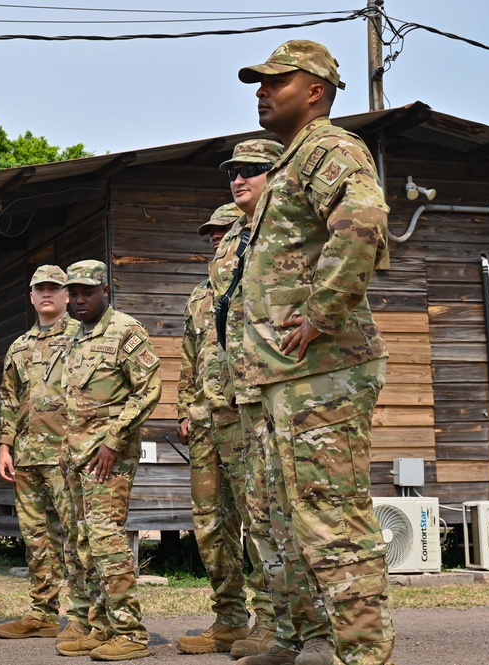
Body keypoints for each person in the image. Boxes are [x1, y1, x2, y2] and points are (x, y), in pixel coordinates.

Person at [235, 40, 392, 665]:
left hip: (323, 368)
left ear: (317, 90)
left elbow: (364, 222)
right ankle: (299, 636)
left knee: (332, 520)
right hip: (285, 377)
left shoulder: (330, 148)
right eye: (259, 82)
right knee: (290, 519)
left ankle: (362, 656)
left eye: (277, 81)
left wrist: (322, 314)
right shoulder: (291, 162)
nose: (261, 90)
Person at [218, 141, 335, 665]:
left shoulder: (296, 227)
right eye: (232, 173)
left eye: (251, 171)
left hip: (299, 390)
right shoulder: (236, 243)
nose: (238, 179)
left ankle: (326, 637)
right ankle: (289, 635)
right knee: (264, 521)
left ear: (278, 173)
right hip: (248, 399)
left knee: (305, 517)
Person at [55, 260, 161, 662]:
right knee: (84, 545)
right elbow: (75, 403)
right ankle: (101, 627)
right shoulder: (75, 337)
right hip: (77, 457)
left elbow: (148, 389)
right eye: (74, 293)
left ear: (105, 290)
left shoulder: (125, 331)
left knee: (107, 542)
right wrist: (67, 451)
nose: (79, 299)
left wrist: (115, 439)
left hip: (107, 458)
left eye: (87, 292)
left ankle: (130, 633)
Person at [175, 204, 253, 655]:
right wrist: (185, 409)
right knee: (210, 526)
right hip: (204, 423)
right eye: (210, 233)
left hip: (243, 420)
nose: (215, 239)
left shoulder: (253, 283)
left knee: (257, 521)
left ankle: (274, 620)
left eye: (223, 231)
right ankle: (229, 619)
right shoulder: (198, 296)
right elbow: (190, 357)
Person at [0, 265, 87, 642]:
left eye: (54, 288)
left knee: (75, 537)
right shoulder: (19, 345)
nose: (47, 293)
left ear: (66, 295)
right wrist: (4, 446)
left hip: (67, 454)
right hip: (27, 455)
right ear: (31, 297)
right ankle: (43, 613)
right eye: (40, 289)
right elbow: (9, 400)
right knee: (36, 539)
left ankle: (82, 615)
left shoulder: (83, 336)